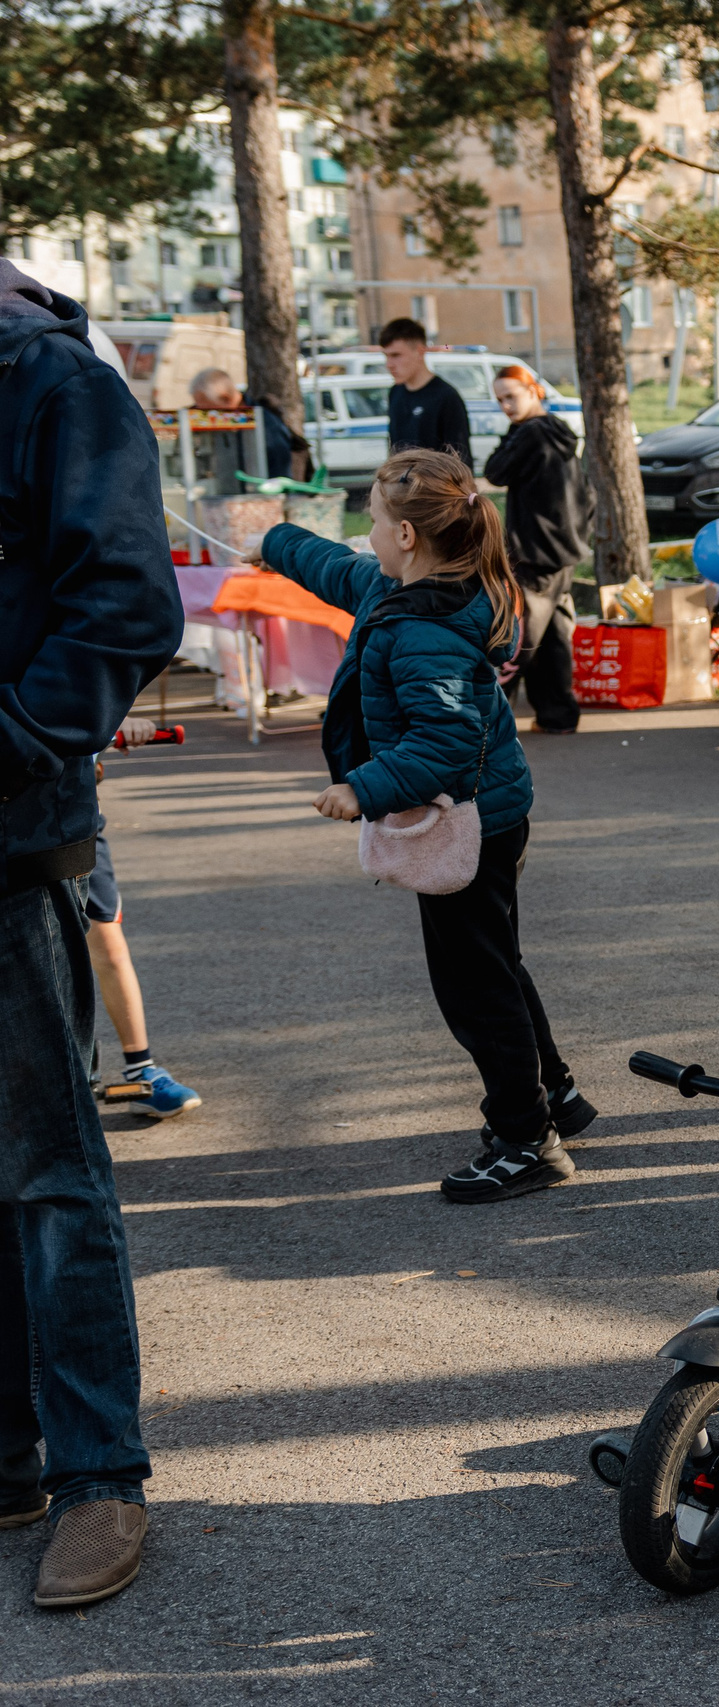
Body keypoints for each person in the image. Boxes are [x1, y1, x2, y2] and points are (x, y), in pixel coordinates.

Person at [259, 449, 595, 1204]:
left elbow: (442, 746)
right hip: (490, 812)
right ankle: (556, 1096)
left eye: (373, 522)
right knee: (496, 963)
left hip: (465, 821)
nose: (366, 536)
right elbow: (335, 570)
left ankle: (524, 1139)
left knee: (476, 985)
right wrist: (275, 542)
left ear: (407, 534)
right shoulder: (405, 587)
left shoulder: (427, 628)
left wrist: (362, 788)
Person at [0, 253, 182, 1608]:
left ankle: (97, 1472)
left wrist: (6, 740)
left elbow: (127, 603)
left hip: (11, 841)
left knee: (52, 1171)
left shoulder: (55, 381)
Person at [84, 722, 203, 1120]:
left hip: (72, 825)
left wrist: (116, 721)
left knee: (109, 948)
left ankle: (142, 1069)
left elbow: (87, 693)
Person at [483, 365, 588, 735]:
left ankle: (489, 721)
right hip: (562, 549)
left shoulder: (529, 435)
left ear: (534, 391)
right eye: (499, 399)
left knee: (519, 635)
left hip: (534, 551)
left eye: (511, 396)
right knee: (553, 635)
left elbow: (495, 472)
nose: (505, 406)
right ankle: (557, 713)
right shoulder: (559, 431)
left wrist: (511, 432)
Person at [378, 318, 473, 472]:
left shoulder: (446, 397)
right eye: (386, 356)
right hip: (401, 490)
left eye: (396, 355)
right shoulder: (395, 392)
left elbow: (461, 460)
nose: (389, 364)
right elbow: (394, 449)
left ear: (420, 351)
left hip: (434, 490)